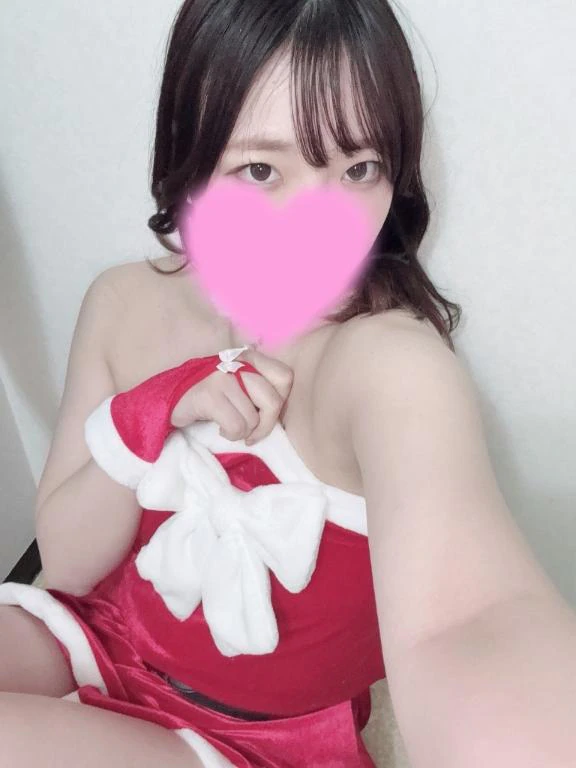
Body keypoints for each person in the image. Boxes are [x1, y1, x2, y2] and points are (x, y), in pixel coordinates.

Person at [2, 1, 576, 766]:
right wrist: (153, 411)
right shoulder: (122, 300)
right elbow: (68, 564)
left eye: (357, 169)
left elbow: (473, 618)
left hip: (250, 739)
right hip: (102, 633)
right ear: (189, 154)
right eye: (262, 170)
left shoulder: (389, 367)